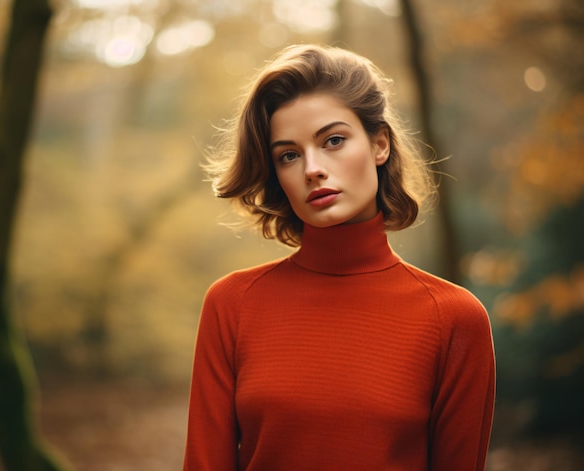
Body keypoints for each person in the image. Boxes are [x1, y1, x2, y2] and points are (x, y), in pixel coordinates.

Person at [183, 44, 495, 471]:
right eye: (289, 155)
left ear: (379, 144)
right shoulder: (232, 304)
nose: (312, 168)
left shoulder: (454, 318)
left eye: (333, 140)